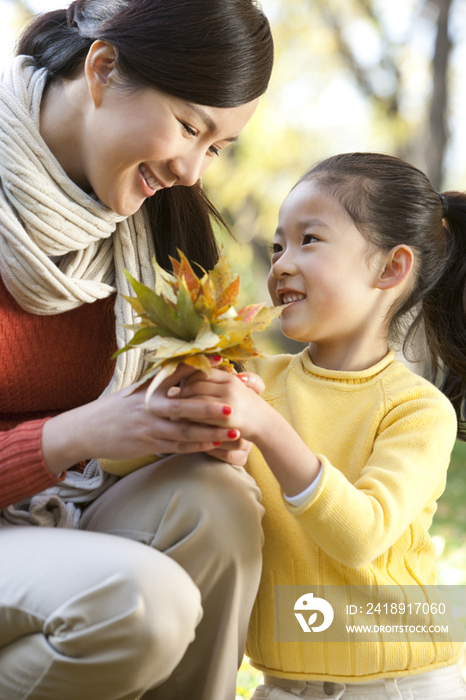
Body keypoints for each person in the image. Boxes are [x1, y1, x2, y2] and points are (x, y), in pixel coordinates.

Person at [0, 1, 273, 698]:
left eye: (216, 148)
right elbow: (82, 432)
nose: (193, 170)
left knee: (218, 503)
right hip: (36, 509)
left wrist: (201, 420)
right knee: (142, 603)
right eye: (188, 127)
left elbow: (185, 393)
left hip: (55, 511)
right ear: (103, 69)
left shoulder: (152, 220)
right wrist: (73, 434)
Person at [176, 152, 466, 699]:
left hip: (404, 682)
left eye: (309, 239)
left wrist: (265, 426)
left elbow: (361, 535)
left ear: (391, 268)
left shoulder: (417, 410)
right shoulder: (257, 381)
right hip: (283, 683)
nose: (282, 262)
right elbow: (126, 464)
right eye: (278, 244)